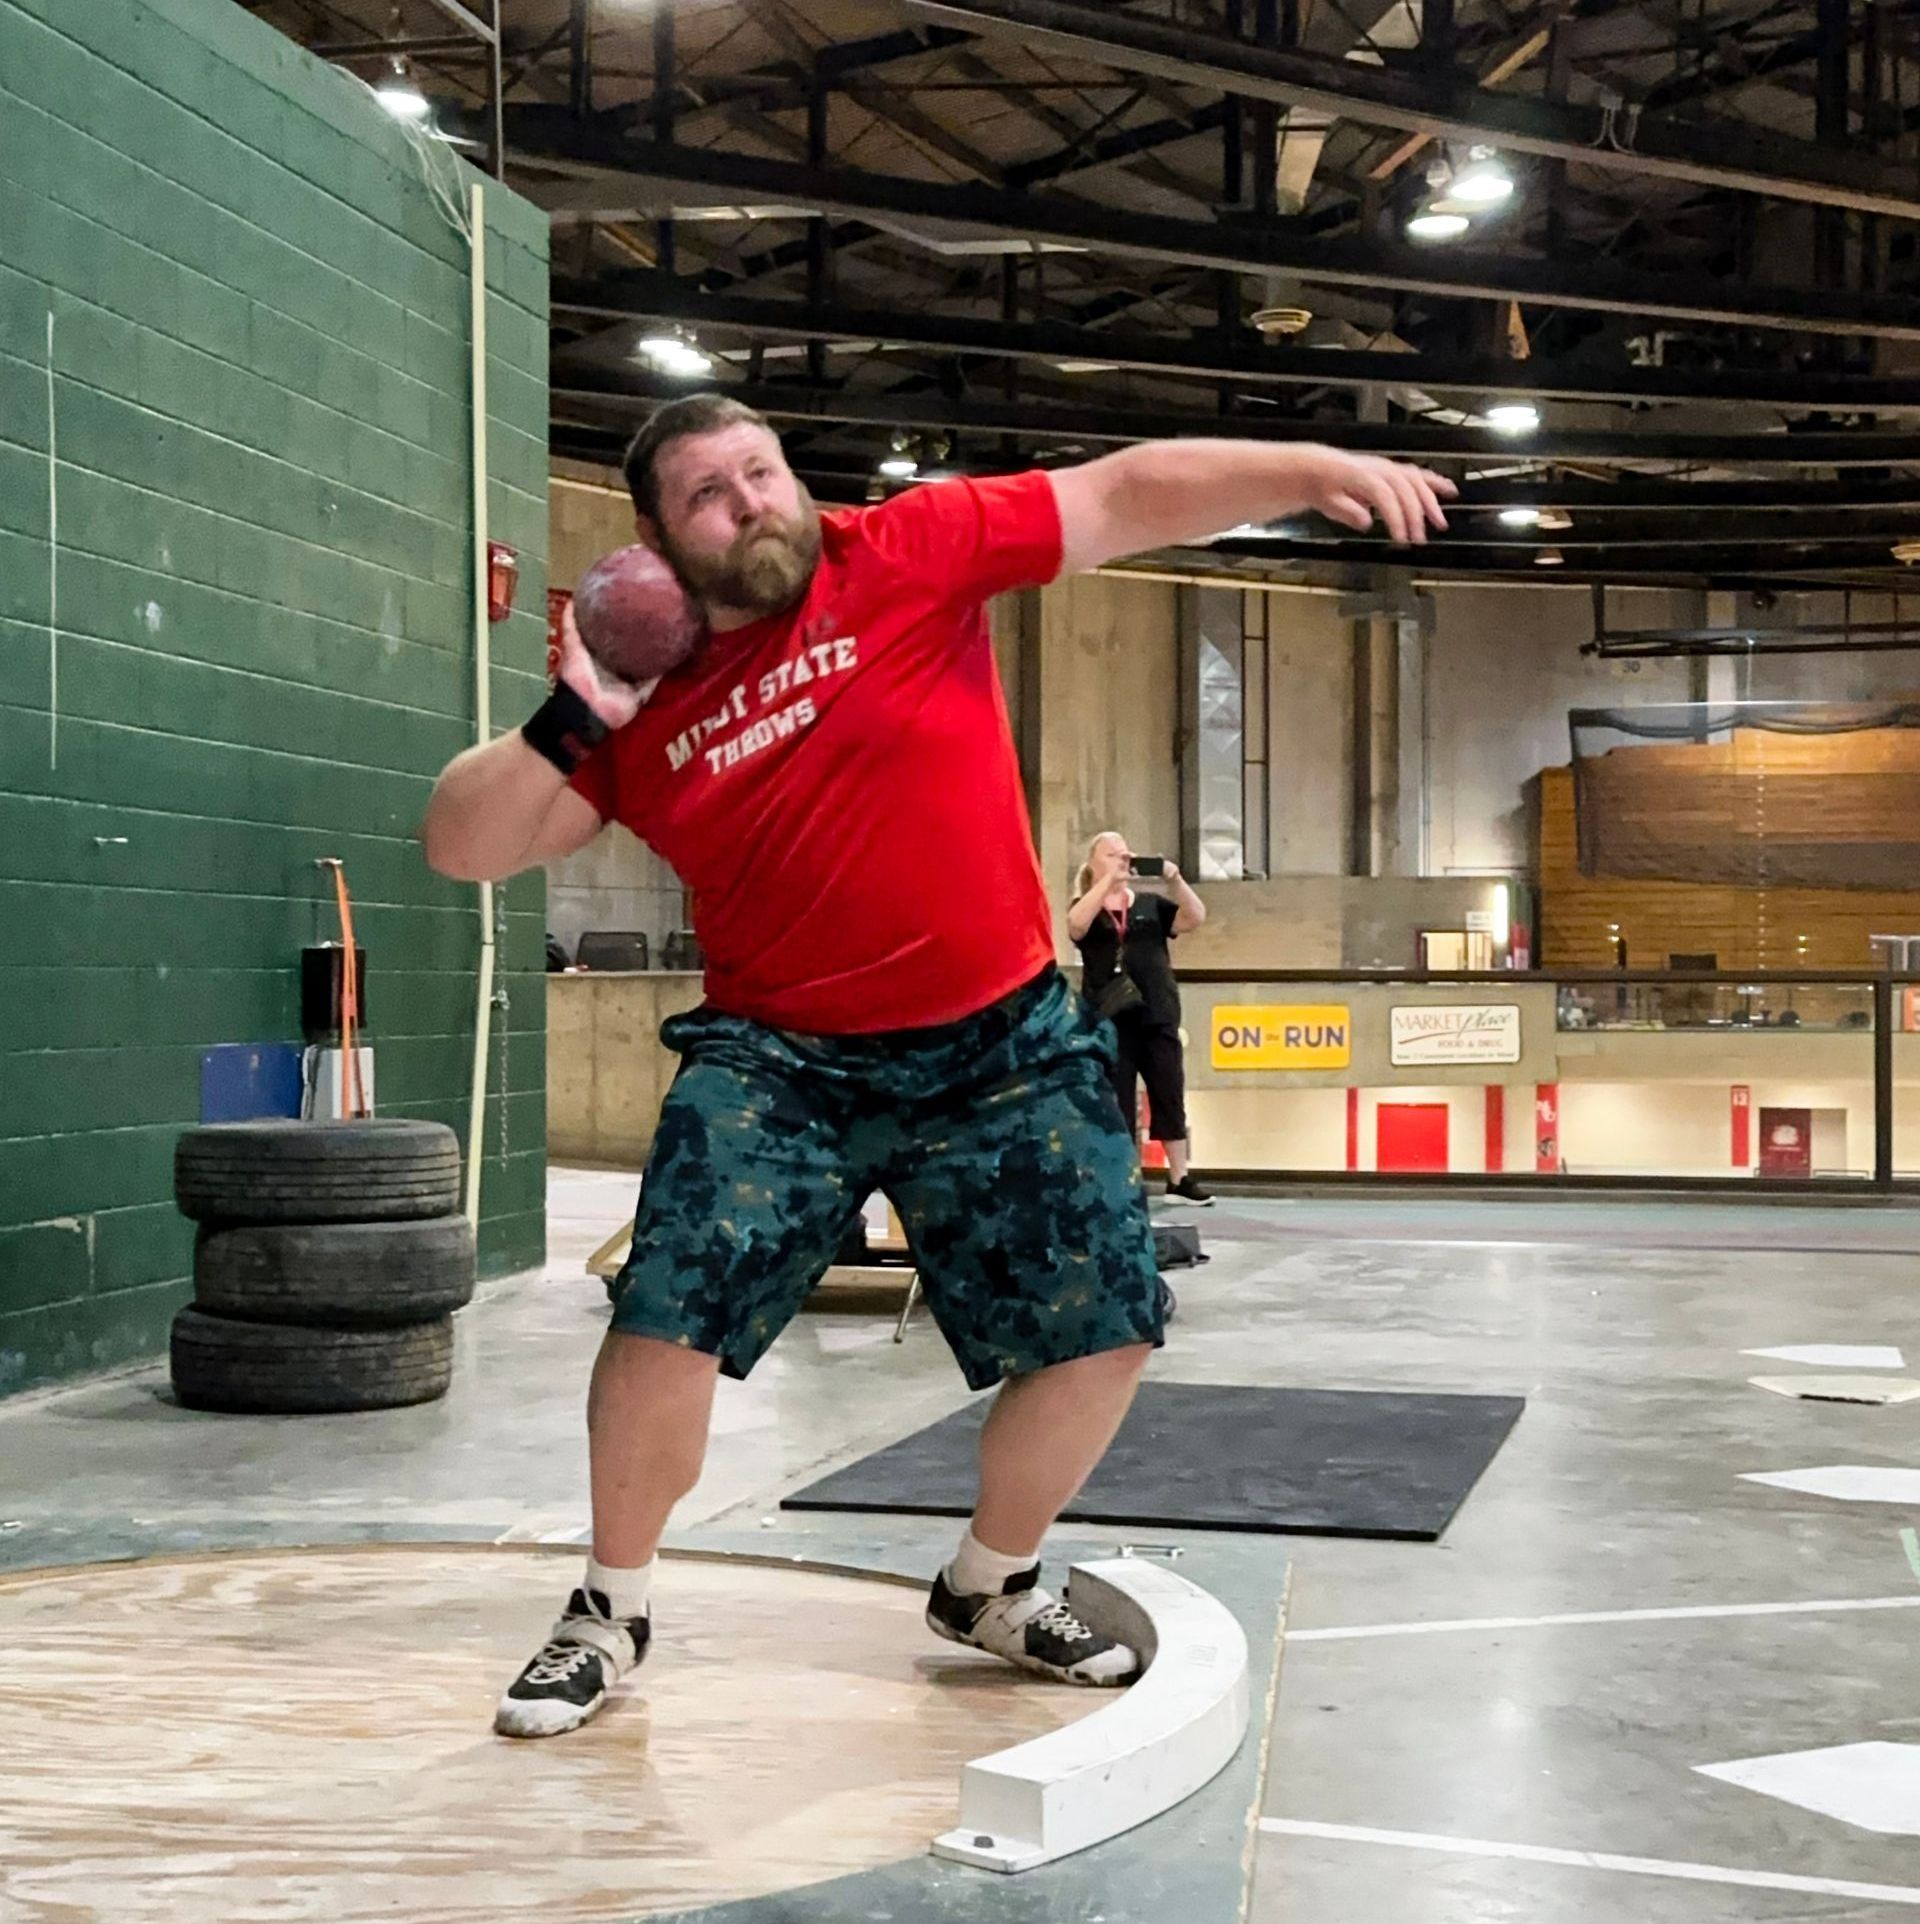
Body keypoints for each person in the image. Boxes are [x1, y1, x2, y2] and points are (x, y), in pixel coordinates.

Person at [421, 395, 1452, 1739]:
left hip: (1003, 1038)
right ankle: (610, 1609)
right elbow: (464, 844)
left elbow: (1130, 491)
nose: (754, 503)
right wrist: (584, 706)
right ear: (658, 537)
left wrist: (1312, 464)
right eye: (711, 496)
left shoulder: (906, 550)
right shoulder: (641, 698)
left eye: (763, 471)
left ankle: (990, 1587)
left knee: (1108, 1324)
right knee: (664, 1316)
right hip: (778, 1059)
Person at [1068, 832, 1211, 1205]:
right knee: (1116, 1097)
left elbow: (1195, 917)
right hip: (1110, 1016)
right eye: (1112, 854)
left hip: (1156, 1011)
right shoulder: (1089, 904)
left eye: (1125, 854)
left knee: (1168, 1089)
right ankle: (1122, 1175)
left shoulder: (1148, 905)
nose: (1122, 859)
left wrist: (1174, 879)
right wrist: (1105, 885)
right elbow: (1075, 926)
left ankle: (1179, 1177)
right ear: (1095, 862)